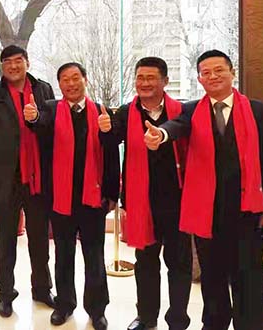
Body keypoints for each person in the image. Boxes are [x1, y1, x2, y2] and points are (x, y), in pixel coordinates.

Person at [144, 49, 263, 330]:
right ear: (199, 79)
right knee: (212, 277)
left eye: (219, 70)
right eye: (206, 73)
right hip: (206, 211)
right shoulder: (190, 111)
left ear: (232, 72)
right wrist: (161, 134)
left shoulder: (259, 111)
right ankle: (214, 324)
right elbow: (175, 126)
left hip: (247, 211)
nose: (213, 76)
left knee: (248, 277)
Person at [98, 57, 191, 330]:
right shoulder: (127, 112)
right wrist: (105, 129)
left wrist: (161, 135)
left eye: (151, 78)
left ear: (165, 81)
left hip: (177, 201)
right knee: (146, 263)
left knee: (179, 264)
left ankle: (178, 320)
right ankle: (147, 318)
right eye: (140, 77)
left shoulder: (181, 111)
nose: (144, 83)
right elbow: (110, 141)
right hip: (141, 201)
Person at [0, 44, 55, 318]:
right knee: (6, 239)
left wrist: (37, 117)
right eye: (7, 62)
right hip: (5, 175)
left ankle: (42, 289)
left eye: (18, 61)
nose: (13, 66)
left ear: (27, 62)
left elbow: (51, 121)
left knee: (39, 238)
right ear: (2, 66)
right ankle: (6, 294)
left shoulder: (43, 89)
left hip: (36, 175)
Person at [33, 62, 119, 330]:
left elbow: (112, 153)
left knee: (94, 256)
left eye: (75, 78)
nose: (70, 84)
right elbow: (38, 129)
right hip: (60, 197)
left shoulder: (102, 112)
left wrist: (112, 193)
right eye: (65, 79)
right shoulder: (50, 110)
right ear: (59, 84)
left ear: (85, 80)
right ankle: (64, 304)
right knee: (63, 254)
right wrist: (33, 119)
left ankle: (97, 309)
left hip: (93, 197)